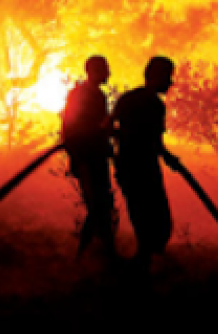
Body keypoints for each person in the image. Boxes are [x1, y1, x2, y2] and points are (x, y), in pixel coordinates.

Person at [109, 56, 180, 272]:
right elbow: (154, 141)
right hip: (144, 168)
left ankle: (145, 259)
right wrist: (167, 157)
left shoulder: (127, 99)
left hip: (127, 167)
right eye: (167, 77)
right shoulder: (154, 105)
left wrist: (120, 146)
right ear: (155, 77)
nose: (170, 83)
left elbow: (107, 127)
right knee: (156, 216)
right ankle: (146, 262)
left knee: (140, 213)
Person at [61, 55, 117, 259]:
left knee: (102, 205)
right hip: (87, 158)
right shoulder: (81, 95)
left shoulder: (97, 95)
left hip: (97, 157)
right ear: (93, 71)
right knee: (98, 205)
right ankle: (85, 254)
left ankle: (102, 253)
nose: (108, 74)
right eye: (104, 69)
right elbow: (71, 128)